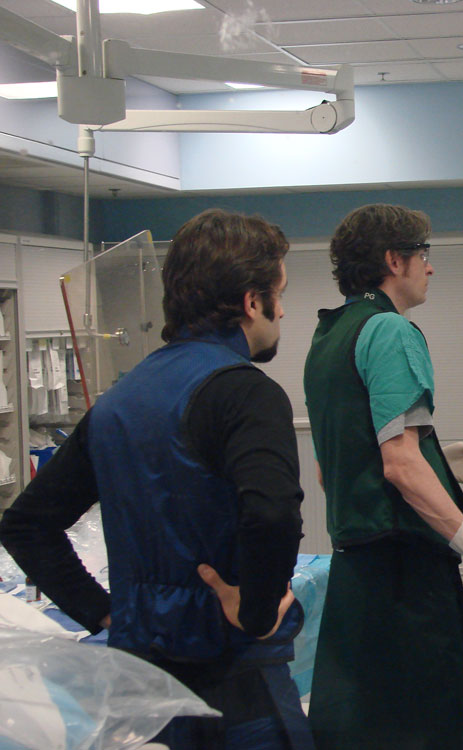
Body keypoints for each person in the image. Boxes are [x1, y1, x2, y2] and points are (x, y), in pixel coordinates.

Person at [0, 208, 313, 750]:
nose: (282, 312)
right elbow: (272, 512)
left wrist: (105, 612)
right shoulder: (245, 392)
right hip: (233, 682)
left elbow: (27, 524)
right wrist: (257, 612)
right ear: (251, 301)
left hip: (140, 688)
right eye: (279, 295)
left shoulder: (121, 399)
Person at [303, 203, 463, 749]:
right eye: (424, 256)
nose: (430, 268)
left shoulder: (330, 336)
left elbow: (334, 467)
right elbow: (399, 463)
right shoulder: (390, 330)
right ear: (395, 260)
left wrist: (438, 455)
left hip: (357, 581)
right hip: (405, 583)